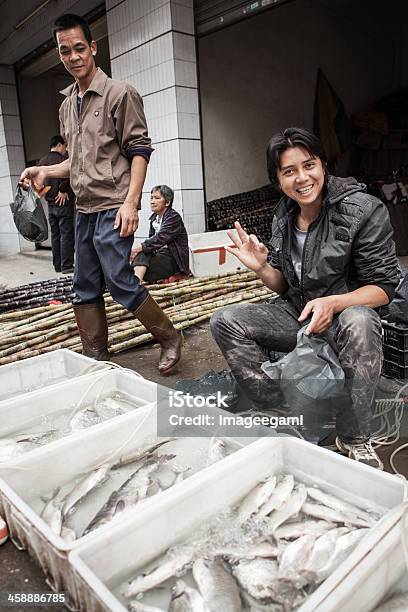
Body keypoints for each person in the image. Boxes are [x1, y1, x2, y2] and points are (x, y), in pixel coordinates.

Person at [211, 126, 400, 469]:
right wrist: (262, 268)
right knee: (225, 321)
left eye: (308, 165)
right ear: (278, 180)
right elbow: (287, 287)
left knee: (360, 321)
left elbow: (384, 287)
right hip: (299, 315)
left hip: (346, 319)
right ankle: (280, 406)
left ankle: (354, 433)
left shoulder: (362, 211)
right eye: (289, 171)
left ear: (323, 165)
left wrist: (335, 303)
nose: (302, 178)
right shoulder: (283, 216)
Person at [19, 13, 181, 374]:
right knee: (84, 284)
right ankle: (96, 354)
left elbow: (139, 150)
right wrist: (45, 170)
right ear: (60, 55)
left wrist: (131, 203)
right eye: (65, 51)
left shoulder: (119, 94)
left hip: (113, 206)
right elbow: (76, 164)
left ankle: (169, 337)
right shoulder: (66, 106)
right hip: (84, 210)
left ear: (92, 48)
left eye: (80, 48)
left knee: (120, 280)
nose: (74, 56)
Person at [131, 185, 190, 283]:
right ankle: (137, 282)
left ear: (167, 202)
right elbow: (152, 243)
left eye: (157, 198)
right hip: (160, 257)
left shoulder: (173, 217)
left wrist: (140, 247)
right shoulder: (154, 219)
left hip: (174, 260)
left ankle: (136, 284)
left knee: (142, 253)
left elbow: (160, 238)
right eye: (151, 198)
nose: (152, 201)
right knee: (141, 258)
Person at [38, 135, 75, 274]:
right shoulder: (63, 160)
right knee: (66, 234)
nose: (65, 150)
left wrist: (47, 193)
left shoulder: (42, 161)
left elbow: (38, 184)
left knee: (55, 235)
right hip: (63, 203)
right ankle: (67, 266)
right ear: (60, 145)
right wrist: (62, 189)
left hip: (50, 204)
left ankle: (57, 265)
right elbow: (69, 174)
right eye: (65, 146)